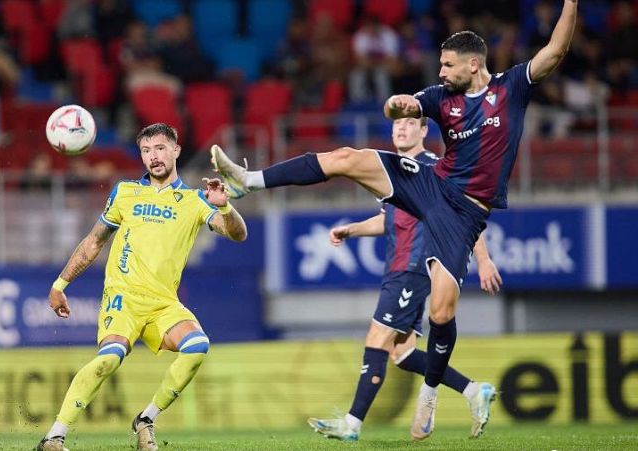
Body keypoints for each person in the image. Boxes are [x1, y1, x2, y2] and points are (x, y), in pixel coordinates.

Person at [210, 0, 576, 440]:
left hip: (466, 214)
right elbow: (397, 109)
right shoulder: (442, 98)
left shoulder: (511, 87)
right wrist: (396, 103)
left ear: (474, 64)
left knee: (442, 311)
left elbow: (555, 50)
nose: (440, 72)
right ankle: (246, 181)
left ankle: (435, 392)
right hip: (432, 184)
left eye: (447, 64)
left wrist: (570, 3)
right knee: (347, 157)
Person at [35, 123, 248, 451]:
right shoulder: (125, 193)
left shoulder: (192, 201)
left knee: (198, 347)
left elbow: (238, 234)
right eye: (146, 151)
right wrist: (60, 283)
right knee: (109, 359)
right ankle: (54, 436)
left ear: (176, 150)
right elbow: (94, 242)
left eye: (160, 148)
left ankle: (146, 419)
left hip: (164, 303)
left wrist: (224, 205)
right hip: (123, 297)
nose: (154, 157)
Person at [307, 117, 501, 442]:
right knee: (403, 354)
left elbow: (464, 218)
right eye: (398, 123)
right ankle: (473, 390)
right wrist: (351, 229)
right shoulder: (394, 171)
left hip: (415, 265)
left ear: (424, 131)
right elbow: (389, 220)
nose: (402, 128)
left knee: (377, 335)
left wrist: (483, 260)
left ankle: (352, 424)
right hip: (397, 266)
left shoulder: (436, 170)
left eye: (411, 123)